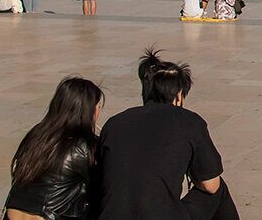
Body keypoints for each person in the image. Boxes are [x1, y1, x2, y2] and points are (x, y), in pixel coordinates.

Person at [97, 49, 238, 219]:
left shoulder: (115, 123)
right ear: (178, 95)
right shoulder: (189, 122)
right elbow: (210, 185)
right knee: (219, 189)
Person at [5, 76, 103, 220]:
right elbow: (102, 189)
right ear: (89, 109)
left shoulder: (37, 134)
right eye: (98, 106)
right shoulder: (85, 146)